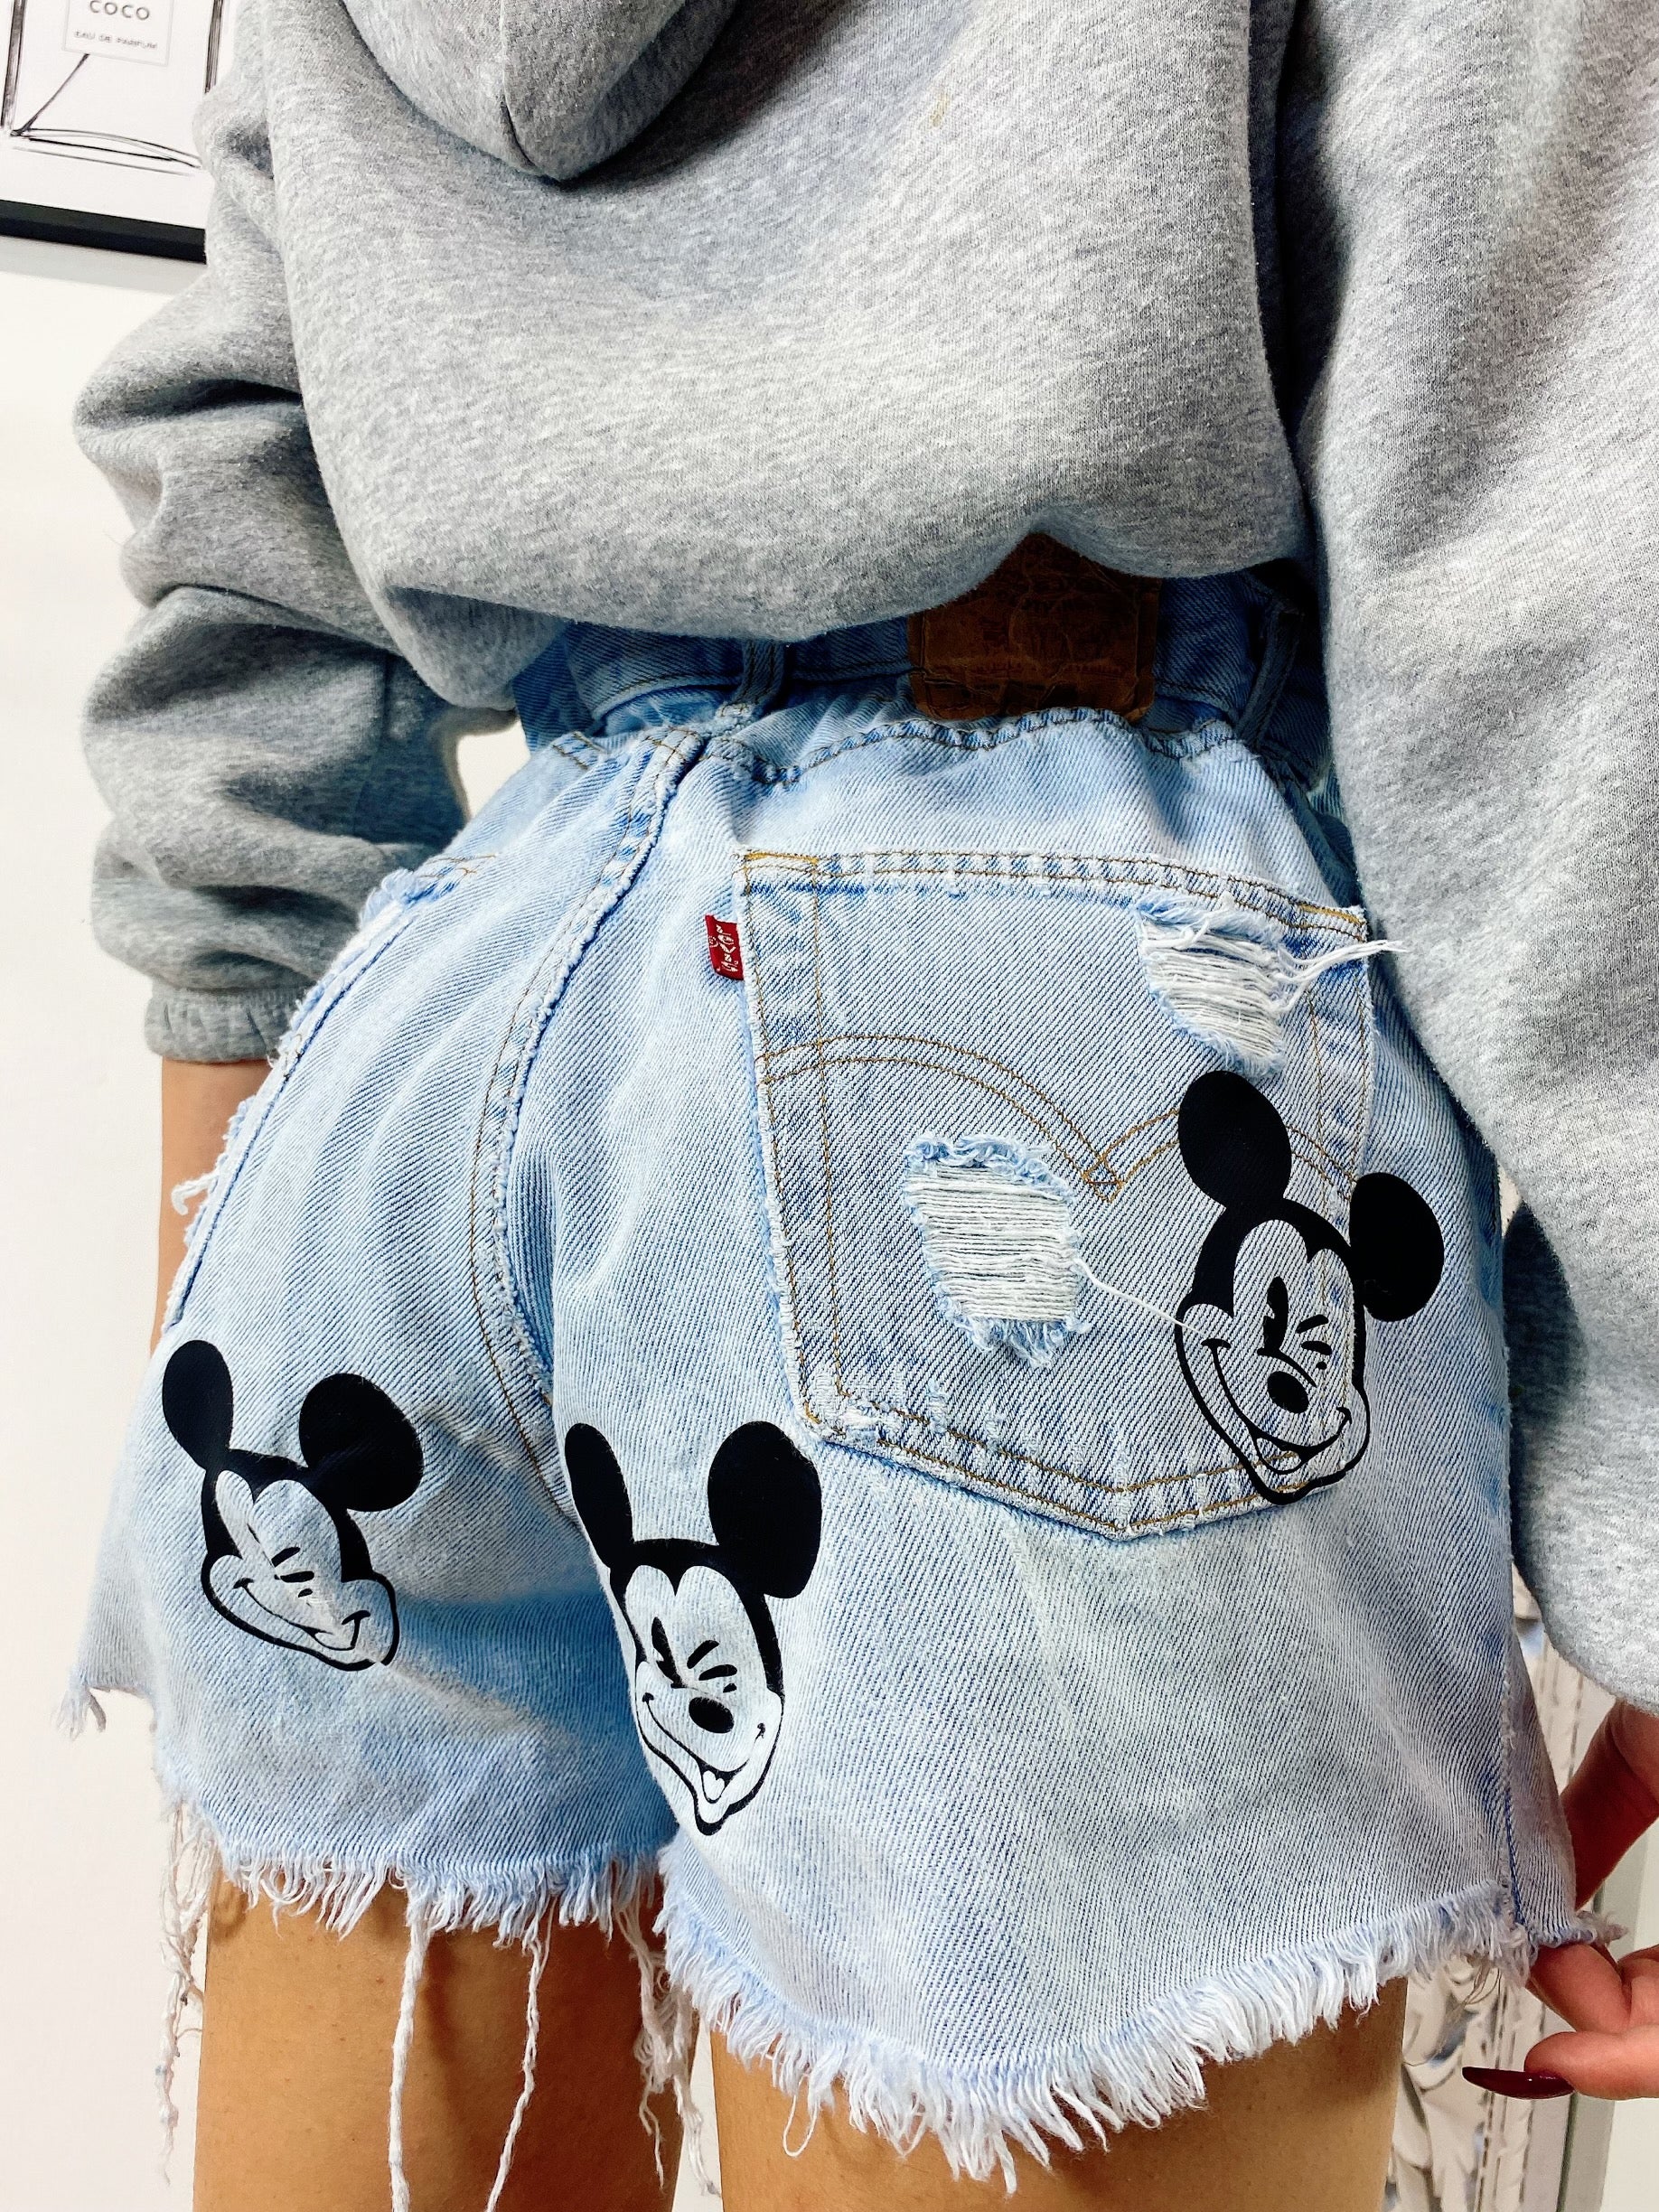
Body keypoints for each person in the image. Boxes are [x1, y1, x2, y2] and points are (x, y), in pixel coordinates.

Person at [67, 1, 1659, 2206]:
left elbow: (243, 523)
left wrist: (212, 1266)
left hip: (430, 1050)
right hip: (1060, 1028)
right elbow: (1543, 567)